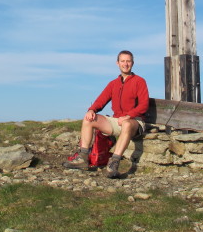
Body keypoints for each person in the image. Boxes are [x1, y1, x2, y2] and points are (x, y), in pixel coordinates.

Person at [64, 50, 149, 179]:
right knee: (88, 119)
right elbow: (101, 100)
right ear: (117, 63)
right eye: (123, 61)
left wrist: (129, 115)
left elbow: (144, 105)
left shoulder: (139, 81)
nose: (125, 64)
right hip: (116, 121)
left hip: (135, 122)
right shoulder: (113, 84)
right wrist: (92, 110)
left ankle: (113, 164)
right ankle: (83, 157)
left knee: (126, 123)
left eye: (128, 61)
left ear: (133, 63)